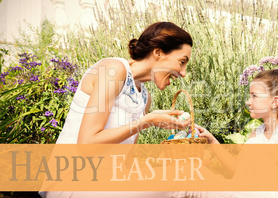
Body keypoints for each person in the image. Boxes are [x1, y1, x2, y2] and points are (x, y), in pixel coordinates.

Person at [41, 22, 193, 198]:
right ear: (158, 52)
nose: (183, 73)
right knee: (183, 186)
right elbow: (86, 145)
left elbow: (123, 162)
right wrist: (146, 122)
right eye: (182, 62)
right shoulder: (113, 70)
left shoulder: (145, 97)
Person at [196, 66, 278, 198]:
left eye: (254, 96)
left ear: (274, 102)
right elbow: (238, 169)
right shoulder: (257, 133)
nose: (248, 102)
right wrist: (212, 140)